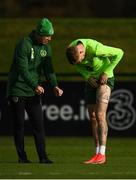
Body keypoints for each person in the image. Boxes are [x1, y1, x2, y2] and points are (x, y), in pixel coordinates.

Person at [7, 18, 63, 164]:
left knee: (39, 125)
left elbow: (48, 69)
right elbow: (22, 70)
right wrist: (35, 85)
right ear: (39, 34)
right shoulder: (24, 44)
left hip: (33, 92)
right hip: (18, 89)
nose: (49, 39)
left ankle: (43, 157)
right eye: (47, 36)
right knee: (19, 126)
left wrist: (54, 85)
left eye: (50, 36)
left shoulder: (46, 48)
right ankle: (22, 157)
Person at [66, 38, 124, 164]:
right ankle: (96, 153)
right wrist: (87, 76)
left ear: (82, 52)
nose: (79, 63)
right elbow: (78, 66)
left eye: (80, 60)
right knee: (92, 117)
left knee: (100, 115)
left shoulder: (96, 49)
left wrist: (106, 72)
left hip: (105, 79)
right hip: (91, 80)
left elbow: (119, 53)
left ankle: (102, 154)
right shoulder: (71, 49)